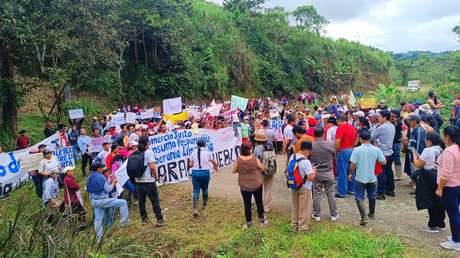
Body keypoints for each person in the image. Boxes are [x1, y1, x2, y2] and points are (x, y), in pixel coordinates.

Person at [349, 130, 386, 226]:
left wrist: (350, 174)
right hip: (372, 177)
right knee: (372, 195)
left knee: (359, 196)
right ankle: (372, 212)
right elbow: (383, 162)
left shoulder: (356, 150)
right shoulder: (376, 149)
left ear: (360, 139)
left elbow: (353, 164)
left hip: (360, 177)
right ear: (369, 139)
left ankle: (364, 216)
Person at [86, 163, 128, 241]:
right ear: (98, 169)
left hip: (94, 200)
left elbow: (86, 189)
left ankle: (99, 239)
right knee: (123, 202)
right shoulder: (101, 177)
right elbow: (108, 190)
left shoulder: (89, 177)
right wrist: (113, 183)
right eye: (102, 167)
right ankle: (123, 223)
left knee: (98, 220)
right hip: (102, 200)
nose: (103, 168)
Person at [412, 132, 445, 233]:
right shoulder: (440, 149)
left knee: (430, 200)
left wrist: (414, 154)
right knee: (439, 201)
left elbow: (418, 164)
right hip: (438, 175)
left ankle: (432, 224)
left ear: (429, 141)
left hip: (427, 177)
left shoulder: (427, 150)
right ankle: (440, 223)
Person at [232, 142, 267, 228]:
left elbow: (234, 171)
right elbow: (262, 168)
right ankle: (262, 220)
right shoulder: (254, 159)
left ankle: (249, 223)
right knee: (259, 202)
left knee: (247, 204)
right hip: (257, 184)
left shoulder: (238, 159)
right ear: (250, 149)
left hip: (244, 186)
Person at [435, 126, 460, 250]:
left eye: (443, 135)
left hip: (449, 187)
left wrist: (440, 188)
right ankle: (457, 237)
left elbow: (446, 174)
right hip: (457, 185)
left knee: (453, 214)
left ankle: (456, 241)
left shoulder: (449, 151)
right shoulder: (457, 148)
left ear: (448, 137)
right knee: (456, 212)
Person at [134, 136, 165, 226]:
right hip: (148, 180)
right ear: (147, 143)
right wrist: (156, 177)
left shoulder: (135, 153)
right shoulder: (149, 152)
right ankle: (159, 219)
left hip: (138, 181)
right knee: (154, 200)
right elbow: (152, 167)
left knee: (141, 201)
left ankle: (144, 219)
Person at [310, 128, 337, 222]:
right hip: (328, 172)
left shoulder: (311, 146)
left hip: (316, 172)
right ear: (323, 134)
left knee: (317, 194)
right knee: (331, 194)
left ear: (314, 134)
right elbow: (334, 156)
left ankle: (316, 214)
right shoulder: (330, 144)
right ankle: (334, 214)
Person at [289, 141, 316, 231]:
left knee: (295, 206)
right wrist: (314, 170)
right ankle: (302, 227)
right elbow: (311, 177)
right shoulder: (306, 161)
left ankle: (294, 225)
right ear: (307, 150)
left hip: (294, 185)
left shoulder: (293, 156)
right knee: (304, 208)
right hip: (305, 187)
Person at [188, 138, 218, 217]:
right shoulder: (208, 152)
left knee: (196, 190)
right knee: (205, 189)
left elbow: (190, 165)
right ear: (204, 145)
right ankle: (204, 205)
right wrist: (216, 167)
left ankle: (195, 208)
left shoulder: (193, 153)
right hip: (205, 173)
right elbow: (214, 162)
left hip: (195, 173)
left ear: (197, 145)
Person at [371, 110, 396, 200]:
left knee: (380, 172)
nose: (378, 118)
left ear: (384, 117)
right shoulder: (392, 126)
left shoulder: (381, 128)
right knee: (389, 171)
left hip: (382, 152)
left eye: (380, 116)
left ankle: (380, 192)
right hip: (390, 151)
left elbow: (372, 138)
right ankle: (390, 190)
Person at [253, 130, 276, 213]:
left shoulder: (257, 148)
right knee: (268, 189)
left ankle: (259, 205)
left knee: (258, 189)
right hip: (270, 170)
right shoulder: (270, 146)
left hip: (260, 172)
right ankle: (267, 207)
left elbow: (256, 160)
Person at [335, 115, 358, 198]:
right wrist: (352, 146)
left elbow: (338, 141)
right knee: (351, 170)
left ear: (339, 121)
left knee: (342, 172)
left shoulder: (340, 128)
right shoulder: (352, 127)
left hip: (343, 150)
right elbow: (357, 139)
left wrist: (335, 151)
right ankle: (352, 189)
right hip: (351, 150)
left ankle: (342, 192)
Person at [391, 109, 404, 181]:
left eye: (392, 113)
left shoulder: (399, 122)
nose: (391, 114)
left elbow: (398, 128)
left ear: (395, 114)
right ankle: (397, 174)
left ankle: (399, 175)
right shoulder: (393, 121)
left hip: (396, 142)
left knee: (396, 157)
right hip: (393, 141)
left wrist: (394, 122)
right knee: (394, 157)